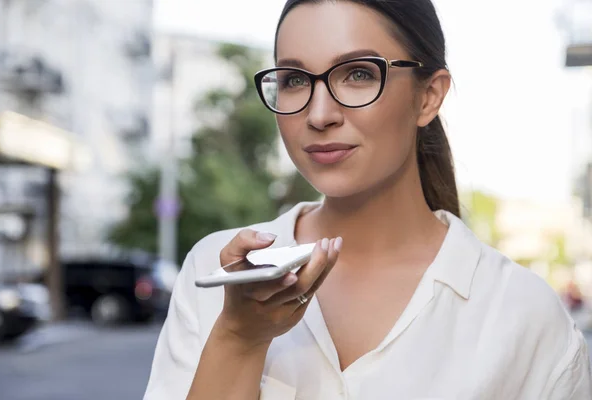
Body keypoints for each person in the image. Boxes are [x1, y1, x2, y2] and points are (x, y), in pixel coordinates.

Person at [144, 1, 592, 399]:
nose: (319, 114)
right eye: (295, 79)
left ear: (429, 96)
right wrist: (239, 338)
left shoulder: (522, 316)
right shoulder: (215, 272)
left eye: (358, 73)